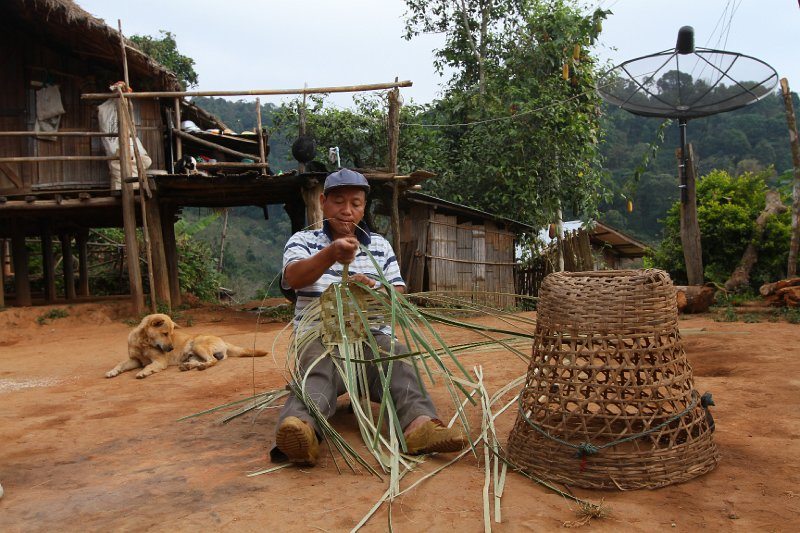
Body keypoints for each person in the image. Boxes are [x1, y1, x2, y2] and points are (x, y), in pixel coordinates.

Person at [273, 168, 468, 466]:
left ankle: (419, 427)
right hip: (320, 338)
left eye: (355, 203)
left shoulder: (379, 245)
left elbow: (398, 292)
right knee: (318, 371)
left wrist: (376, 287)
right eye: (339, 202)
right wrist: (330, 255)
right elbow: (294, 277)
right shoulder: (303, 241)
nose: (347, 210)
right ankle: (302, 430)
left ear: (364, 207)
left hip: (370, 340)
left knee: (397, 356)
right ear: (323, 202)